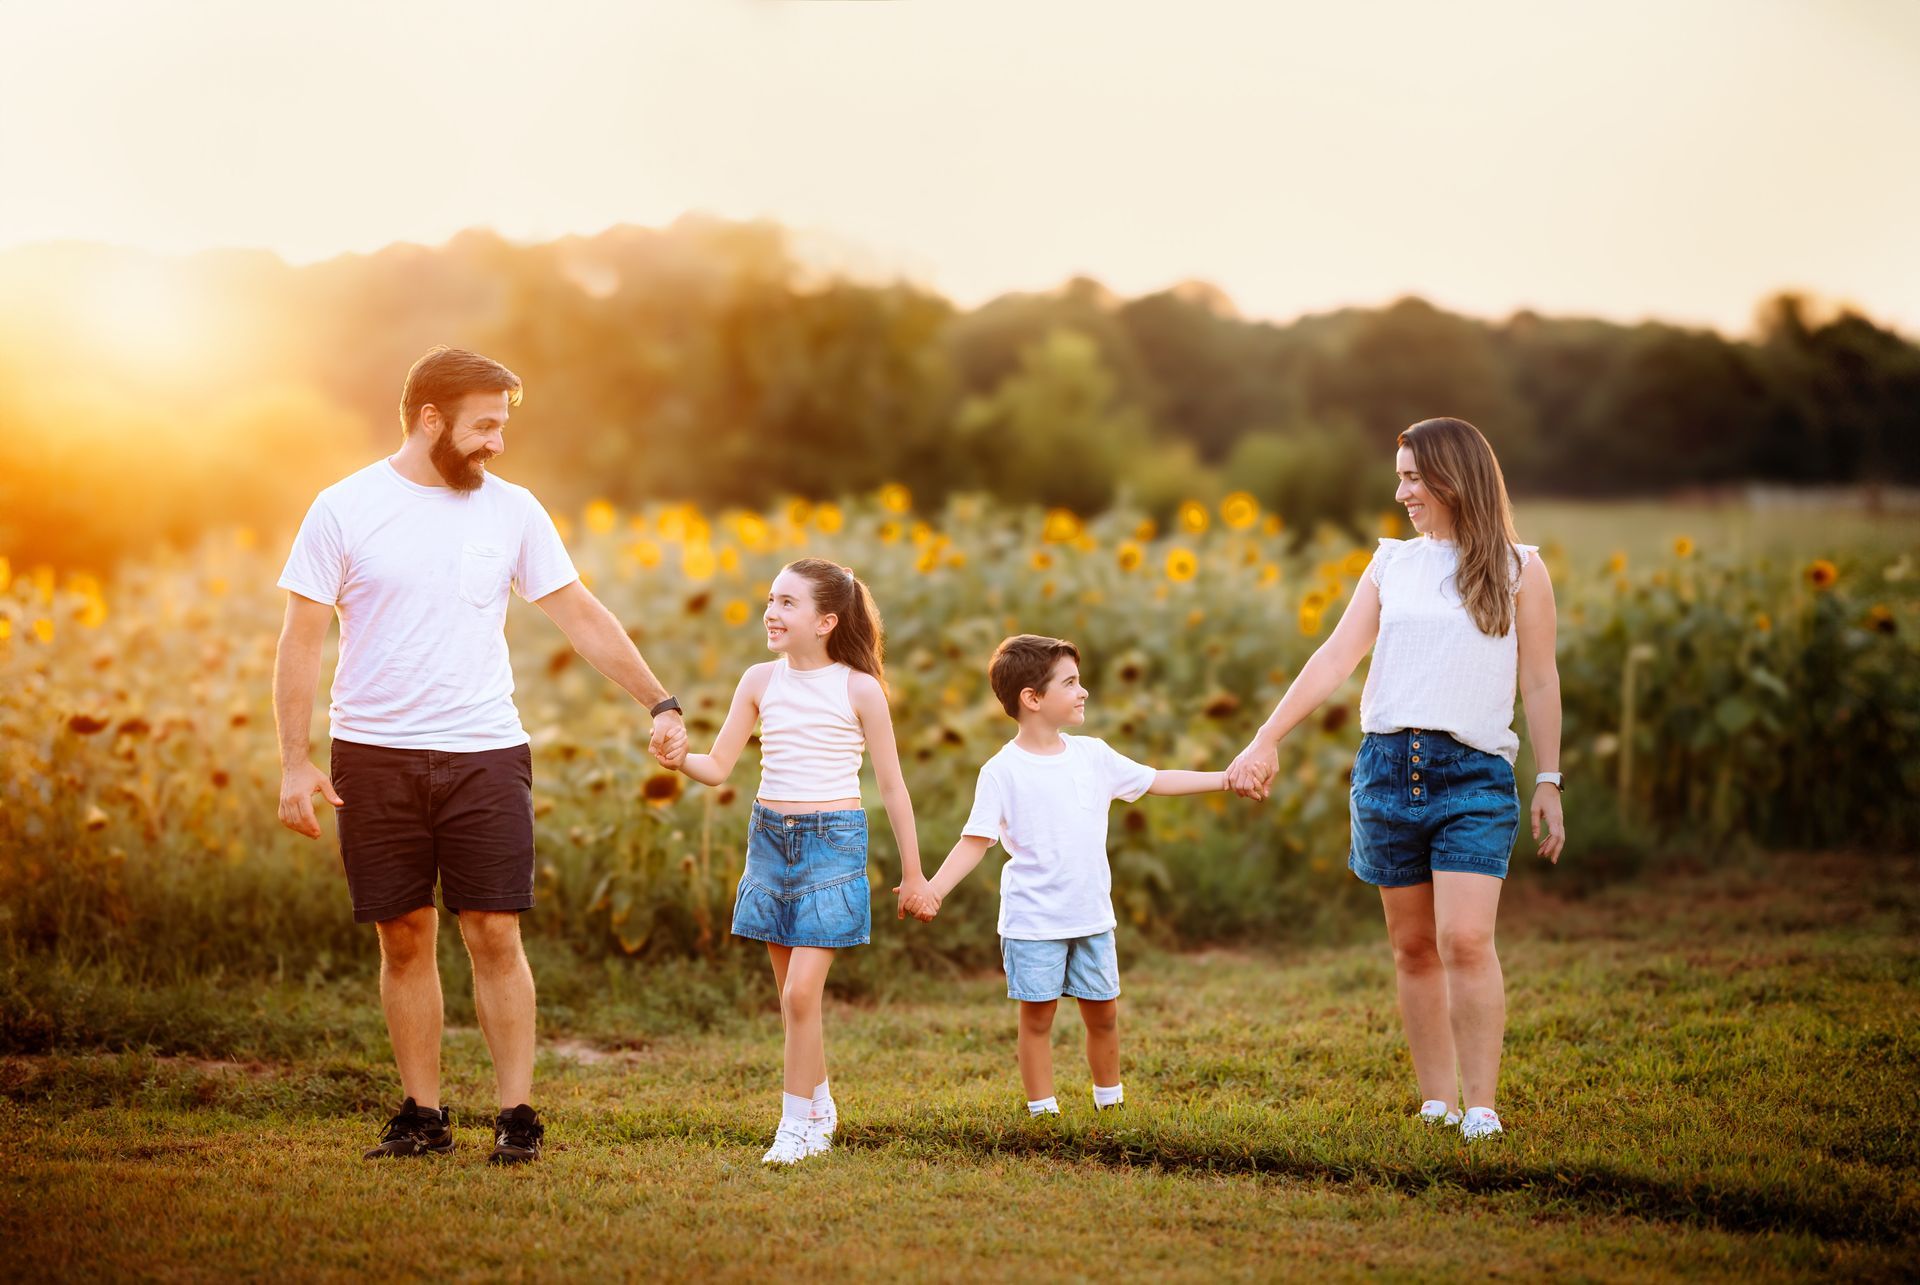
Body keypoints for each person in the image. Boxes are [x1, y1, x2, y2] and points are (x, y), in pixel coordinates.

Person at [273, 346, 687, 1164]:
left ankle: (517, 1115)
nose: (498, 441)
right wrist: (295, 758)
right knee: (403, 933)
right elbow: (301, 640)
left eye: (503, 424)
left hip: (485, 750)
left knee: (494, 928)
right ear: (431, 419)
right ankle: (422, 1114)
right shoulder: (344, 508)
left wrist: (659, 699)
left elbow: (579, 612)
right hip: (374, 752)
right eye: (484, 425)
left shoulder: (513, 510)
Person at [1227, 417, 1565, 1140]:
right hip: (1386, 770)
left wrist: (1550, 778)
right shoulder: (1390, 564)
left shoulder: (1520, 568)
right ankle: (1437, 1100)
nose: (1401, 490)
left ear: (1453, 477)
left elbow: (1539, 680)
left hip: (1474, 774)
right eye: (1402, 474)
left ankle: (1482, 1106)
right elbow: (1333, 657)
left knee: (1466, 939)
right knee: (1412, 947)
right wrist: (1266, 737)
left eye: (1413, 476)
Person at [663, 558, 928, 1165]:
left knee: (801, 997)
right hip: (769, 843)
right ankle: (821, 1105)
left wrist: (913, 874)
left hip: (832, 845)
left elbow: (892, 787)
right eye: (771, 600)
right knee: (791, 999)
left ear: (826, 621)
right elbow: (718, 767)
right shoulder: (759, 680)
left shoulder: (860, 688)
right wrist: (679, 758)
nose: (771, 612)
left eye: (787, 603)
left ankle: (793, 1127)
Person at [914, 634, 1228, 1117]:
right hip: (1034, 922)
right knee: (1038, 1018)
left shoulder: (1094, 756)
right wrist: (933, 889)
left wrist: (1225, 778)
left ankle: (1110, 1103)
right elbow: (975, 841)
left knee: (1104, 1013)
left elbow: (1157, 778)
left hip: (1092, 916)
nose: (1083, 691)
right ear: (1032, 699)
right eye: (1071, 683)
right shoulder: (1001, 771)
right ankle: (1043, 1112)